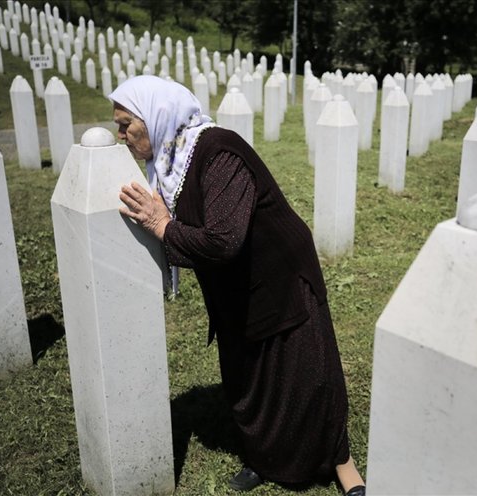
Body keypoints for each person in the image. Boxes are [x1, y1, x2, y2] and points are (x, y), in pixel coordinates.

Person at [110, 75, 366, 496]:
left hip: (278, 273)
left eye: (125, 124)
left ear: (155, 116)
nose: (121, 136)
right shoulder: (170, 162)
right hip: (233, 285)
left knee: (306, 375)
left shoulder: (217, 151)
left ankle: (341, 462)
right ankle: (265, 458)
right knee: (249, 378)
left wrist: (162, 226)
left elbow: (224, 239)